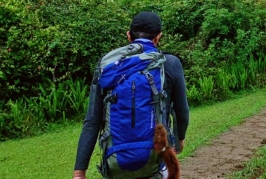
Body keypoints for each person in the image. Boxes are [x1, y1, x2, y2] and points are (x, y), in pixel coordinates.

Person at [73, 12, 190, 179]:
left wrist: (79, 171)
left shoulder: (107, 65)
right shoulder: (169, 63)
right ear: (158, 38)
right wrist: (179, 141)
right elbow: (182, 112)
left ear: (129, 36)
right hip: (156, 159)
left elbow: (92, 120)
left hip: (116, 162)